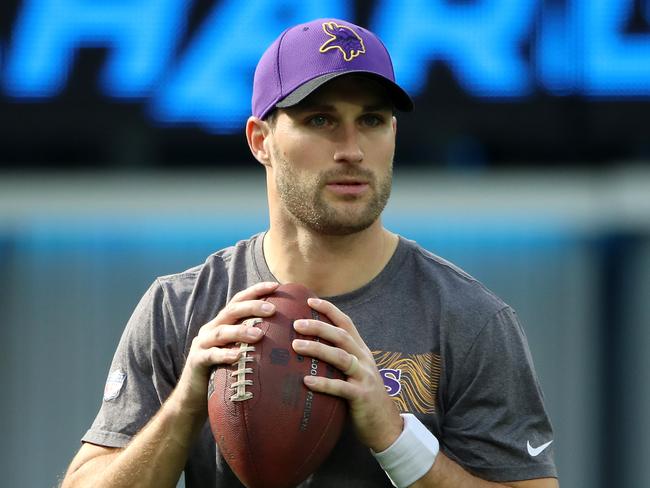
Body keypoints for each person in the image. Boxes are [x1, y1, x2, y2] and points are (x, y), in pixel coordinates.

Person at [62, 18, 558, 488]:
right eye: (320, 119)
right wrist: (184, 405)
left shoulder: (469, 319)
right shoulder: (183, 309)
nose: (351, 149)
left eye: (371, 120)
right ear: (261, 140)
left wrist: (398, 439)